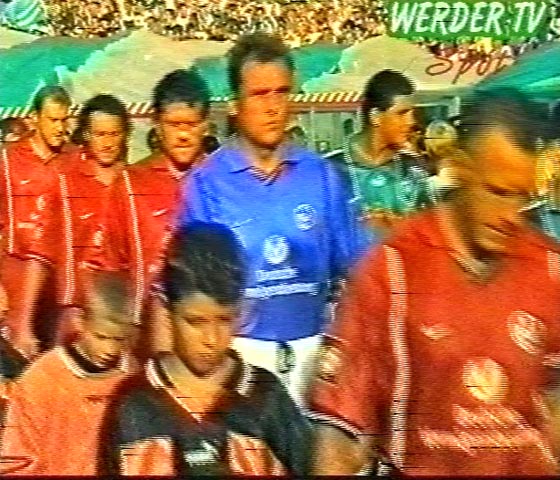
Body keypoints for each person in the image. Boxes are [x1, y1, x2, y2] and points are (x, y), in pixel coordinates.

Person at [309, 88, 560, 476]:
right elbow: (341, 433)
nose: (511, 216)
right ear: (460, 169)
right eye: (497, 192)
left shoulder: (549, 270)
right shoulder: (391, 272)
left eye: (522, 198)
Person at [179, 33, 365, 406]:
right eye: (260, 94)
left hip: (316, 355)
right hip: (241, 356)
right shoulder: (206, 185)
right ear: (235, 104)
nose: (273, 107)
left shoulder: (322, 176)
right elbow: (193, 293)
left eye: (281, 92)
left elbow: (358, 269)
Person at [102, 222, 311, 476]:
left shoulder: (266, 399)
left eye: (224, 320)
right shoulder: (133, 405)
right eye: (195, 322)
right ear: (167, 310)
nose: (211, 339)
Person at [95, 68, 210, 355]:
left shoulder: (221, 181)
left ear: (206, 125)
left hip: (211, 339)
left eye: (191, 124)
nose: (183, 135)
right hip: (143, 342)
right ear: (156, 125)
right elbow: (109, 266)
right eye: (174, 124)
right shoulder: (130, 184)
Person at [0, 271, 137, 476]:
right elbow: (16, 460)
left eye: (119, 339)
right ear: (81, 321)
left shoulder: (134, 378)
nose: (110, 350)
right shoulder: (42, 379)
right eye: (101, 337)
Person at [52, 94, 131, 343]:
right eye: (100, 134)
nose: (107, 143)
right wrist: (69, 307)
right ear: (86, 135)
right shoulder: (67, 184)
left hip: (123, 312)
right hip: (77, 312)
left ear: (125, 135)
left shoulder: (134, 184)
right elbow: (59, 252)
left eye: (114, 134)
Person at [0, 85, 71, 358]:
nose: (59, 128)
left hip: (56, 284)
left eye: (64, 120)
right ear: (34, 119)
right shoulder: (8, 160)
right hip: (13, 277)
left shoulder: (74, 160)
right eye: (53, 120)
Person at [325, 69, 433, 240]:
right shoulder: (330, 169)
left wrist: (396, 225)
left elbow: (432, 232)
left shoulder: (414, 168)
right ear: (375, 116)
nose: (411, 122)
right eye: (402, 113)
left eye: (412, 113)